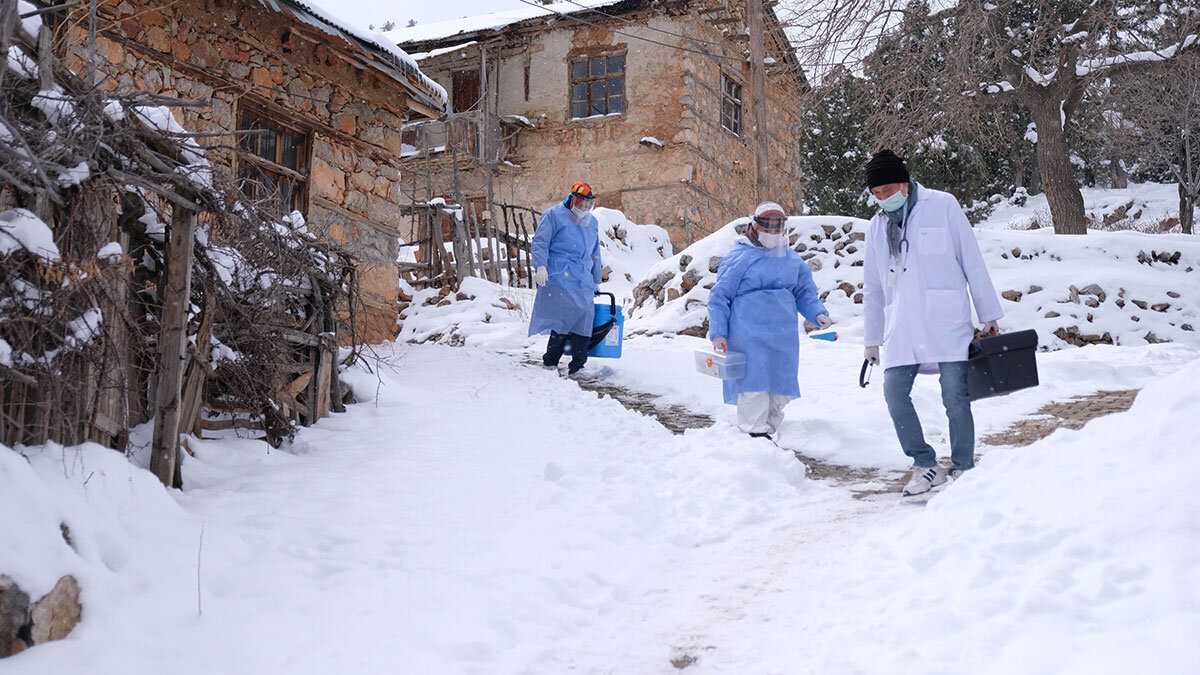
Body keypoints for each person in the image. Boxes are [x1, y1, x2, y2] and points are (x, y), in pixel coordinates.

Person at [860, 150, 1004, 496]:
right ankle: (924, 464)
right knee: (894, 392)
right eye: (876, 194)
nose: (883, 199)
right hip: (902, 327)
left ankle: (963, 467)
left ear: (905, 184)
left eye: (888, 190)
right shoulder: (877, 227)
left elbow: (971, 259)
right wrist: (871, 339)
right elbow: (874, 288)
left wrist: (989, 315)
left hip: (947, 321)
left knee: (955, 395)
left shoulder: (942, 206)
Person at [707, 202, 831, 439]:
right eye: (769, 228)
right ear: (755, 226)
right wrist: (719, 332)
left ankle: (769, 435)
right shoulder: (738, 257)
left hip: (783, 335)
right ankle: (754, 435)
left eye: (778, 229)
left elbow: (804, 292)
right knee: (754, 385)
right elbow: (720, 296)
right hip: (748, 333)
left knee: (780, 386)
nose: (774, 234)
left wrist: (817, 313)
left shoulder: (791, 260)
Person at [528, 182, 603, 378]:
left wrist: (596, 279)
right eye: (581, 203)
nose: (584, 208)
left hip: (583, 277)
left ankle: (578, 366)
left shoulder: (592, 222)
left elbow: (595, 251)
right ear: (572, 200)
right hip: (559, 274)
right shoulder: (553, 215)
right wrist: (540, 266)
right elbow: (541, 242)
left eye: (588, 205)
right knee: (563, 319)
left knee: (585, 319)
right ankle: (551, 361)